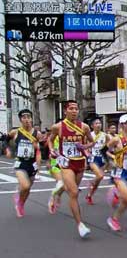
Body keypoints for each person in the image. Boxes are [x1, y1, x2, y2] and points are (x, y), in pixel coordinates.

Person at [48, 100, 95, 238]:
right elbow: (50, 140)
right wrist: (52, 150)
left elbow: (92, 141)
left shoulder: (84, 127)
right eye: (71, 108)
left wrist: (85, 147)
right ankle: (80, 225)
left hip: (80, 163)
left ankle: (57, 193)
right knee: (74, 192)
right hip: (66, 163)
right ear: (65, 111)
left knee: (71, 189)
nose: (74, 111)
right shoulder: (58, 127)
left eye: (76, 108)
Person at [5, 109, 43, 218]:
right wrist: (7, 149)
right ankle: (19, 203)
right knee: (25, 186)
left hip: (32, 164)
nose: (26, 120)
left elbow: (39, 151)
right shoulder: (15, 132)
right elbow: (6, 140)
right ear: (21, 120)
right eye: (24, 117)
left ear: (31, 119)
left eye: (28, 117)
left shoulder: (37, 134)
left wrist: (39, 167)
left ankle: (21, 203)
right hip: (20, 163)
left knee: (28, 189)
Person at [85, 117, 110, 204]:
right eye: (96, 123)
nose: (98, 125)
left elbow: (108, 147)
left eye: (99, 123)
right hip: (93, 158)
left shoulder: (105, 135)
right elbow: (85, 146)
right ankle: (91, 182)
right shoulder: (89, 135)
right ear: (92, 126)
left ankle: (89, 195)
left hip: (102, 158)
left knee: (98, 182)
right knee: (100, 176)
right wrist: (87, 154)